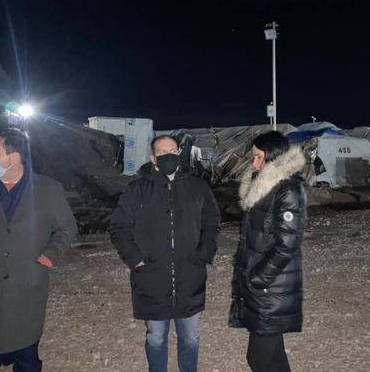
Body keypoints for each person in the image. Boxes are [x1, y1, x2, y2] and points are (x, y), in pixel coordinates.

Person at [0, 128, 77, 372]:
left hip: (26, 286)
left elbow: (67, 228)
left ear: (14, 157)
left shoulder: (48, 189)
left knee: (26, 356)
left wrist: (48, 258)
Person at [110, 135, 221, 372]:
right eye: (162, 152)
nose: (168, 155)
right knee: (156, 337)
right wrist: (136, 260)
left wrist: (204, 254)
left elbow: (212, 222)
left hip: (189, 275)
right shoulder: (137, 190)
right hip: (151, 277)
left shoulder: (197, 187)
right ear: (153, 158)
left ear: (179, 153)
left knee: (190, 337)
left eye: (172, 150)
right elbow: (119, 227)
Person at [229, 131, 307, 372]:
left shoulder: (288, 189)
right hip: (263, 285)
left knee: (258, 358)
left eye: (259, 157)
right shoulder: (262, 185)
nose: (254, 164)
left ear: (274, 157)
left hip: (270, 285)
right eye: (253, 157)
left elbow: (287, 243)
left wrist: (258, 277)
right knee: (274, 356)